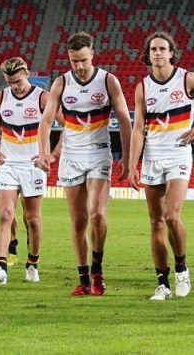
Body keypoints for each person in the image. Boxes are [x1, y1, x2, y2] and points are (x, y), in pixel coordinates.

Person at [128, 32, 194, 301]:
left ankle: (182, 270)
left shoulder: (186, 79)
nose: (158, 53)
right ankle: (162, 283)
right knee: (155, 223)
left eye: (162, 48)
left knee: (172, 216)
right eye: (153, 49)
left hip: (178, 155)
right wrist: (132, 164)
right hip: (152, 157)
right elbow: (138, 128)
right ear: (147, 55)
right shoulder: (143, 87)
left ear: (172, 52)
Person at [36, 31, 132, 296]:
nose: (78, 66)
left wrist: (126, 156)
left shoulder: (108, 81)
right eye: (73, 61)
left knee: (97, 214)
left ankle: (98, 271)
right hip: (70, 156)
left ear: (92, 54)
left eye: (82, 60)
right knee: (78, 221)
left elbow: (124, 119)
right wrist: (44, 151)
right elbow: (45, 120)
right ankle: (83, 279)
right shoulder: (61, 83)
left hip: (100, 153)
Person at [0, 57, 50, 286]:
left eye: (18, 81)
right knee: (5, 215)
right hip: (8, 165)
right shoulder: (0, 98)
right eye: (9, 82)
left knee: (32, 219)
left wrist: (51, 153)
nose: (15, 86)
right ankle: (1, 266)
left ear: (26, 73)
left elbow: (66, 122)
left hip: (33, 165)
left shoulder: (42, 97)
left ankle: (32, 263)